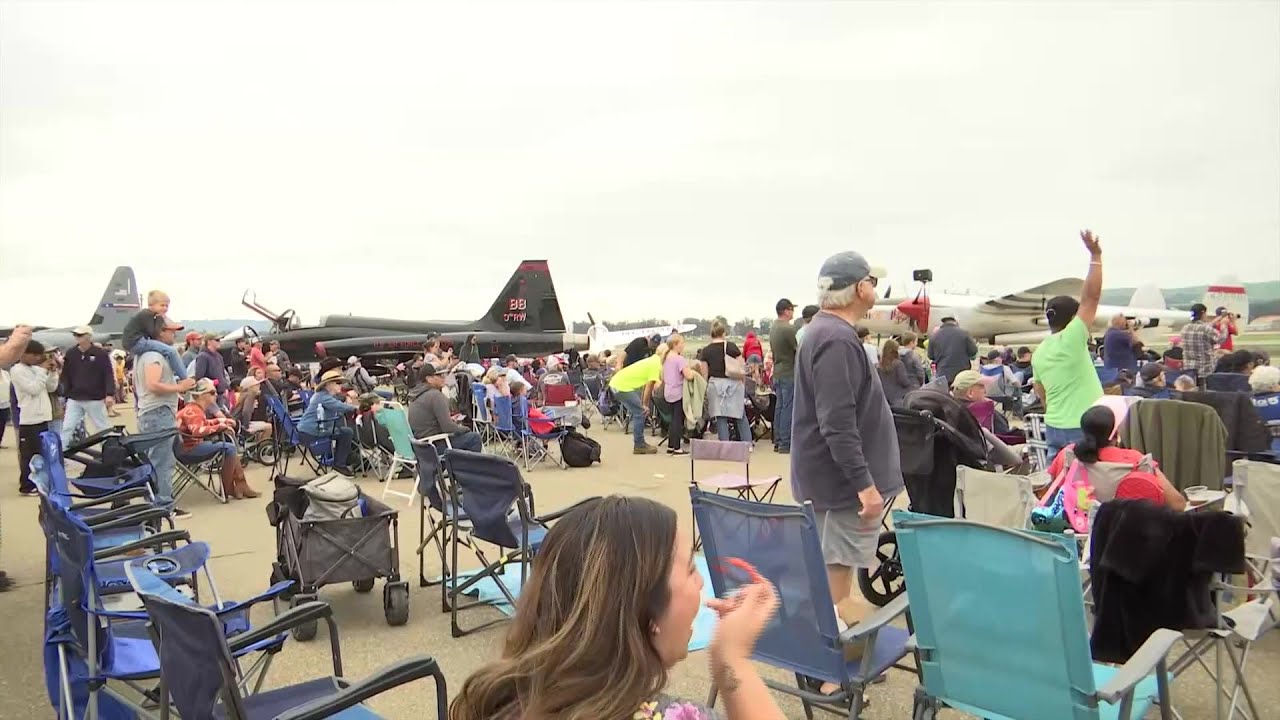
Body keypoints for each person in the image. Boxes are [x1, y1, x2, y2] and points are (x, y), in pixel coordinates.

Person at [448, 495, 785, 720]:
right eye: (691, 570)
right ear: (646, 609)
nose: (700, 583)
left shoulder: (495, 699)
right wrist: (732, 663)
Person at [792, 251, 904, 695]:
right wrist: (865, 486)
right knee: (838, 585)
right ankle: (829, 678)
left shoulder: (821, 332)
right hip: (843, 489)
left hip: (830, 482)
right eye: (872, 281)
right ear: (859, 288)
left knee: (831, 574)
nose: (875, 288)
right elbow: (837, 423)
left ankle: (823, 664)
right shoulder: (836, 339)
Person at [1032, 230, 1106, 461]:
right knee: (1088, 488)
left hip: (1055, 425)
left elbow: (1039, 390)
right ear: (1074, 318)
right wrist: (1096, 256)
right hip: (1084, 426)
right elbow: (1091, 298)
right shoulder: (1072, 338)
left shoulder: (1040, 351)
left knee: (1060, 484)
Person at [1046, 405, 1186, 511]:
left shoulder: (1067, 455)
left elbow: (1055, 495)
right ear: (1116, 433)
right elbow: (1178, 504)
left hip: (1079, 538)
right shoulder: (1136, 460)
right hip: (1125, 538)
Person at [134, 317, 198, 518]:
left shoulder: (147, 354)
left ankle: (159, 502)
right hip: (158, 413)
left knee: (158, 459)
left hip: (153, 413)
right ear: (160, 332)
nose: (175, 334)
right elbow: (153, 384)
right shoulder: (154, 355)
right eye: (171, 331)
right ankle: (164, 506)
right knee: (162, 461)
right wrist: (180, 387)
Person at [177, 379, 260, 499]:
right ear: (201, 395)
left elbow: (202, 424)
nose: (216, 394)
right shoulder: (194, 410)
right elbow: (198, 431)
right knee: (229, 448)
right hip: (188, 450)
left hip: (185, 447)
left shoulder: (193, 408)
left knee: (227, 445)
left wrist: (222, 421)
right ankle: (228, 488)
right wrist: (221, 426)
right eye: (212, 392)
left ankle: (239, 485)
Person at [11, 340, 60, 497]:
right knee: (29, 455)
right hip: (29, 419)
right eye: (35, 355)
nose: (38, 358)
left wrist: (52, 372)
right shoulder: (17, 370)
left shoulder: (35, 369)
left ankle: (39, 482)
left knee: (42, 453)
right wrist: (42, 371)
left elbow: (51, 388)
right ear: (24, 354)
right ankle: (26, 485)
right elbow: (33, 389)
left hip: (43, 417)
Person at [59, 326, 116, 448]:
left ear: (88, 336)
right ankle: (60, 454)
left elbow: (108, 374)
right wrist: (64, 393)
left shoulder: (100, 354)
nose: (77, 337)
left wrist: (109, 394)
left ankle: (110, 451)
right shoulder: (71, 353)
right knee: (67, 427)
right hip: (75, 398)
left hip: (94, 398)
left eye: (80, 335)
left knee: (103, 427)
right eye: (75, 335)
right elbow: (65, 374)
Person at [698, 322, 752, 445]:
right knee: (739, 414)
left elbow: (704, 372)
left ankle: (725, 445)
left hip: (715, 385)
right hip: (733, 384)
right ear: (723, 333)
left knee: (720, 416)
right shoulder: (731, 346)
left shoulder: (706, 351)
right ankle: (747, 443)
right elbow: (741, 367)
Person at [407, 365, 483, 451]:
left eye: (443, 375)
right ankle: (467, 464)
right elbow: (448, 427)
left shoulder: (415, 395)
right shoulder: (435, 395)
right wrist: (466, 429)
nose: (443, 378)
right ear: (429, 379)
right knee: (474, 438)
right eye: (439, 375)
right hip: (435, 445)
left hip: (420, 445)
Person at [297, 369, 358, 474]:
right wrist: (357, 408)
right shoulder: (324, 397)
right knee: (346, 432)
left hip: (306, 430)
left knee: (342, 430)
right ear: (328, 384)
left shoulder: (321, 395)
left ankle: (347, 457)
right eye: (338, 383)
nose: (341, 385)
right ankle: (340, 464)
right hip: (312, 431)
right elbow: (341, 407)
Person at [121, 290, 190, 380]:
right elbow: (153, 333)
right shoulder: (146, 315)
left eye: (167, 306)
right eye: (162, 305)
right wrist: (161, 319)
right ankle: (185, 378)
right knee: (171, 351)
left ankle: (175, 376)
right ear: (151, 305)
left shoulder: (153, 316)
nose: (165, 308)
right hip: (136, 341)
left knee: (166, 351)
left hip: (135, 342)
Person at [609, 348, 664, 454]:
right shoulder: (656, 363)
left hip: (617, 384)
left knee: (638, 412)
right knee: (640, 413)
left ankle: (640, 442)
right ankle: (639, 444)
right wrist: (645, 404)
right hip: (622, 387)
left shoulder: (651, 360)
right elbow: (649, 386)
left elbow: (644, 385)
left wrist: (643, 403)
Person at [768, 298, 799, 454]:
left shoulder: (773, 327)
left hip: (778, 371)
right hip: (789, 372)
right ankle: (785, 443)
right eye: (792, 309)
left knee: (779, 407)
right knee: (788, 408)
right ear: (786, 311)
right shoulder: (788, 329)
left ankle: (778, 440)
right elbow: (797, 349)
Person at [661, 333, 697, 455]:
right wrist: (693, 373)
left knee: (672, 419)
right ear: (676, 344)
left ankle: (671, 445)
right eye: (682, 343)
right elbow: (688, 375)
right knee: (678, 420)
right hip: (678, 392)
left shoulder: (666, 358)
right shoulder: (679, 359)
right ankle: (677, 447)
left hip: (668, 391)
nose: (683, 345)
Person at [927, 316, 978, 385]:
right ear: (955, 322)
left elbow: (930, 356)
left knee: (944, 394)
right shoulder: (964, 333)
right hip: (962, 373)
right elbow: (973, 351)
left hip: (943, 373)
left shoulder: (934, 336)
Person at [1180, 303, 1221, 382]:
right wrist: (1224, 325)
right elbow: (1220, 339)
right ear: (1203, 313)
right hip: (1205, 368)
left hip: (1189, 368)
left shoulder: (1185, 328)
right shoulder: (1206, 329)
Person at [231, 376, 274, 442]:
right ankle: (262, 446)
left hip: (238, 422)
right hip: (241, 424)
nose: (259, 386)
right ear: (251, 387)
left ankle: (258, 445)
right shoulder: (250, 395)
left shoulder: (244, 395)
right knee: (269, 427)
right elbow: (246, 411)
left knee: (262, 427)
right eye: (256, 385)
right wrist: (246, 426)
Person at [877, 338, 916, 406]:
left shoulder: (878, 366)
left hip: (884, 398)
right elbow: (904, 382)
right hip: (898, 398)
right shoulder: (898, 364)